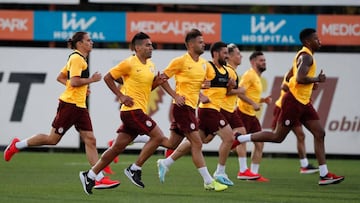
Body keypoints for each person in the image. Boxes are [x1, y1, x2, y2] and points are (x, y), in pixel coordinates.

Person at [3, 31, 120, 189]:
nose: (91, 42)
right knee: (53, 139)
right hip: (70, 105)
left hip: (79, 106)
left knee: (90, 139)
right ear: (80, 43)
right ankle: (17, 145)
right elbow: (74, 81)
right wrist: (91, 80)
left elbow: (61, 77)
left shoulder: (77, 58)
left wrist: (83, 89)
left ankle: (96, 176)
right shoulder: (77, 58)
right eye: (88, 40)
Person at [233, 28, 344, 185]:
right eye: (316, 39)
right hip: (294, 102)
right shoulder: (306, 57)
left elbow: (289, 76)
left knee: (320, 133)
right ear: (307, 42)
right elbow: (299, 77)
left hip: (304, 102)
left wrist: (310, 84)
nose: (319, 41)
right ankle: (241, 138)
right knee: (278, 137)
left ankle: (324, 174)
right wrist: (315, 79)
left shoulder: (303, 56)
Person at [79, 32, 169, 195]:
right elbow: (108, 77)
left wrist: (157, 82)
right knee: (158, 137)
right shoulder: (129, 63)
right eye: (148, 45)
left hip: (138, 111)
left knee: (117, 148)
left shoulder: (151, 66)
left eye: (151, 45)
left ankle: (90, 175)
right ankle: (135, 168)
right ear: (138, 47)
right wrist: (120, 95)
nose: (151, 48)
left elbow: (147, 89)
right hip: (131, 111)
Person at [157, 41, 237, 187]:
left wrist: (231, 87)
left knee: (191, 142)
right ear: (216, 53)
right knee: (228, 138)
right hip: (207, 109)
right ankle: (218, 174)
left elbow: (226, 92)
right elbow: (195, 82)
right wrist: (201, 96)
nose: (227, 56)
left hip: (209, 109)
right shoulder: (207, 66)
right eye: (225, 53)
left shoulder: (228, 71)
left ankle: (166, 162)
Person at [234, 51, 272, 182]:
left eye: (264, 60)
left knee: (260, 144)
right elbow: (239, 93)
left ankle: (254, 174)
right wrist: (253, 103)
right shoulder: (249, 75)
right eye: (261, 60)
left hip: (251, 115)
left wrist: (262, 100)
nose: (264, 62)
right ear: (253, 62)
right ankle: (243, 170)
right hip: (242, 113)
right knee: (240, 141)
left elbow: (251, 95)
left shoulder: (257, 77)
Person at [224, 44, 261, 181]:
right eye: (238, 53)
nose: (241, 56)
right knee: (203, 139)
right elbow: (228, 91)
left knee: (242, 135)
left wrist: (261, 100)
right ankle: (171, 156)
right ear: (229, 56)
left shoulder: (233, 72)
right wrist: (239, 91)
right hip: (222, 109)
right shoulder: (229, 71)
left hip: (230, 109)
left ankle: (244, 170)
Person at [272, 71, 318, 174]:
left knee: (300, 135)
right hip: (285, 107)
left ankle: (304, 165)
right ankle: (245, 138)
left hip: (293, 107)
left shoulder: (303, 73)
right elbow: (284, 86)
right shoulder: (294, 72)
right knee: (276, 137)